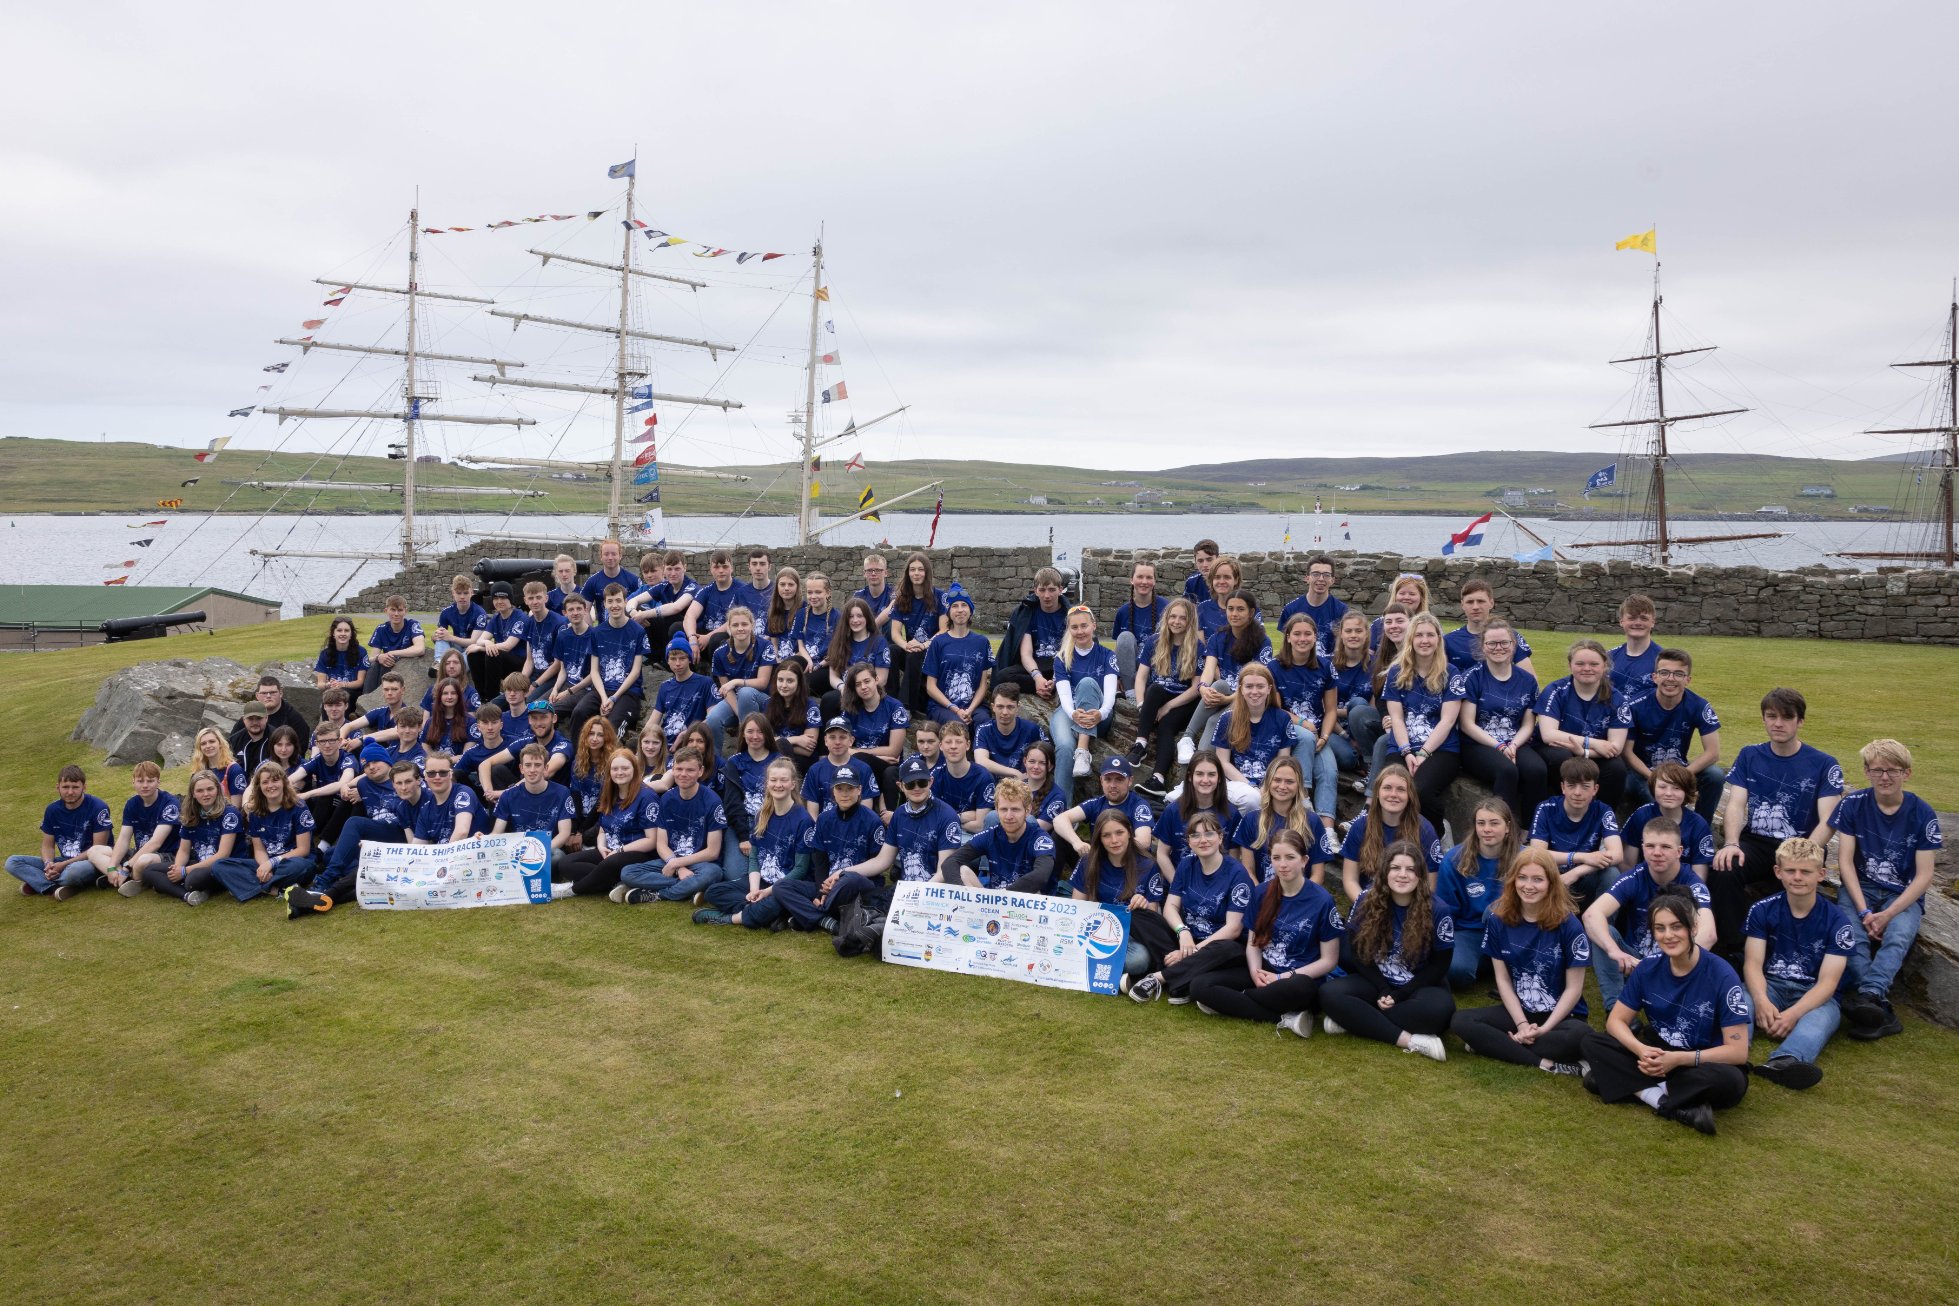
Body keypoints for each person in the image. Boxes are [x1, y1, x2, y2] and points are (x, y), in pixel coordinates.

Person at [1581, 892, 1751, 1134]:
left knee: (1731, 1083)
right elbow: (1616, 1021)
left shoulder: (1722, 975)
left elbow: (1737, 1052)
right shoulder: (1647, 968)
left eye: (1676, 927)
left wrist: (1679, 1060)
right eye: (1660, 928)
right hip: (1657, 1052)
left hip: (1701, 1062)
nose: (1668, 935)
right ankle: (1666, 1102)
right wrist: (1641, 1050)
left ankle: (1629, 1084)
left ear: (1693, 928)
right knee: (1591, 1042)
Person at [1711, 687, 1844, 958]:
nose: (1778, 723)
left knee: (1797, 880)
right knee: (1723, 869)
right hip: (1758, 842)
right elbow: (1736, 804)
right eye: (1771, 716)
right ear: (1763, 719)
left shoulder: (1823, 763)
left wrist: (1801, 853)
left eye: (1786, 717)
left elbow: (1829, 818)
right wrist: (1732, 843)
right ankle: (1736, 949)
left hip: (1803, 844)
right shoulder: (1750, 755)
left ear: (1800, 721)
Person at [1831, 738, 1941, 1042]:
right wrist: (1865, 910)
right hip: (1860, 888)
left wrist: (1889, 913)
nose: (1885, 777)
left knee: (1898, 937)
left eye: (1893, 770)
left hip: (1902, 893)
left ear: (1907, 773)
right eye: (1878, 770)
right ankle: (1880, 1008)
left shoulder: (1922, 813)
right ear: (1867, 772)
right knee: (1849, 938)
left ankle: (1868, 996)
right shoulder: (1853, 804)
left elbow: (1924, 876)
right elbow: (1845, 863)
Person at [1449, 848, 1592, 1075]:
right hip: (1520, 1011)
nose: (1528, 886)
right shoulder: (1498, 920)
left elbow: (1574, 990)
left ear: (1551, 883)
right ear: (1513, 880)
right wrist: (1522, 1025)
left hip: (1562, 1017)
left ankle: (1495, 1045)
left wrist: (1544, 1029)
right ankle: (1545, 1063)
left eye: (1538, 879)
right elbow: (1503, 980)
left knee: (1582, 1037)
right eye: (1522, 878)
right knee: (1460, 1021)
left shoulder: (1569, 925)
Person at [1186, 829, 1344, 1032]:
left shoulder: (1322, 900)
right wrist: (1255, 973)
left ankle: (1237, 1000)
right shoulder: (1261, 892)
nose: (1283, 864)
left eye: (1290, 857)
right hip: (1264, 970)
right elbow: (1253, 944)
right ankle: (1284, 1018)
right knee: (1199, 985)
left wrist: (1281, 978)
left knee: (1300, 988)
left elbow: (1329, 961)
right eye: (1276, 858)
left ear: (1304, 860)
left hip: (1297, 979)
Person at [1319, 842, 1456, 1060]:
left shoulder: (1438, 910)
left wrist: (1400, 994)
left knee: (1440, 1013)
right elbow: (1357, 952)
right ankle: (1411, 1041)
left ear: (1420, 875)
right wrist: (1383, 988)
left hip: (1417, 985)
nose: (1403, 875)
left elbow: (1440, 965)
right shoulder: (1366, 900)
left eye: (1410, 869)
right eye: (1395, 868)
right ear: (1385, 872)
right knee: (1329, 994)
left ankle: (1354, 1020)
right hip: (1377, 982)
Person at [1741, 836, 1853, 1090]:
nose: (1797, 877)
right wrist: (1761, 1001)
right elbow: (1752, 964)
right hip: (1770, 984)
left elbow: (1828, 983)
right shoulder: (1761, 910)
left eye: (1806, 871)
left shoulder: (1838, 921)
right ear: (1778, 872)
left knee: (1819, 1022)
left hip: (1817, 994)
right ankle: (1735, 1054)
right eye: (1790, 871)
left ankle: (1786, 1061)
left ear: (1821, 874)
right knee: (1740, 1002)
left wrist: (1793, 1014)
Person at [1582, 817, 1717, 1012]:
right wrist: (1614, 951)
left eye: (1665, 847)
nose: (1657, 853)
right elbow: (1591, 915)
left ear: (1679, 851)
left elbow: (1708, 934)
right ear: (1642, 847)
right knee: (1605, 932)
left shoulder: (1692, 883)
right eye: (1650, 846)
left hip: (1673, 962)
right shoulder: (1635, 876)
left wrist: (1668, 962)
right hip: (1634, 961)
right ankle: (1615, 1007)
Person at [1126, 812, 1256, 1004]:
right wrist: (1182, 931)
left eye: (1209, 834)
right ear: (1189, 842)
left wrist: (1193, 951)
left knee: (1228, 948)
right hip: (1187, 938)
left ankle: (1158, 977)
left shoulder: (1237, 873)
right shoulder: (1187, 864)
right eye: (1195, 835)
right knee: (1139, 915)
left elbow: (1233, 929)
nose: (1203, 840)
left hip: (1217, 945)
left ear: (1220, 838)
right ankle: (1183, 979)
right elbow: (1170, 905)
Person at [696, 757, 814, 929]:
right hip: (763, 880)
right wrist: (754, 890)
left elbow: (801, 869)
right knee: (714, 891)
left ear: (793, 784)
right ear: (767, 783)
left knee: (775, 902)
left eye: (784, 780)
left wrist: (767, 892)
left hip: (786, 886)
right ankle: (764, 914)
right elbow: (754, 859)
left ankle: (730, 918)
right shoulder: (762, 815)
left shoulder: (803, 819)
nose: (778, 785)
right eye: (773, 780)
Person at [770, 765, 890, 930]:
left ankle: (808, 915)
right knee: (781, 886)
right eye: (840, 788)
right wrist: (822, 891)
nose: (845, 793)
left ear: (859, 790)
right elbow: (820, 860)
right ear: (833, 791)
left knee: (850, 878)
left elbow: (876, 865)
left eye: (850, 788)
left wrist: (838, 882)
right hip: (826, 884)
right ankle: (826, 921)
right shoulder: (824, 819)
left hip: (858, 885)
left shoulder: (872, 821)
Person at [1614, 647, 1725, 820]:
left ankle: (1702, 827)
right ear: (1654, 677)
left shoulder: (1699, 705)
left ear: (1688, 679)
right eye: (1664, 672)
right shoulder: (1634, 706)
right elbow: (1626, 752)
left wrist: (1682, 775)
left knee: (1715, 775)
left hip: (1679, 769)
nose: (1671, 679)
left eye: (1679, 674)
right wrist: (1655, 778)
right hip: (1643, 772)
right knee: (1663, 799)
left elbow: (1713, 753)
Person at [1449, 618, 1542, 824]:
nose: (1498, 648)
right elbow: (1467, 724)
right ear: (1483, 646)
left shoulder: (1527, 680)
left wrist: (1514, 744)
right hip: (1478, 743)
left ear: (1513, 645)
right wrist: (1499, 746)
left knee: (1537, 770)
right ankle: (1503, 829)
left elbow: (1528, 723)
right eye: (1492, 643)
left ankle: (1528, 832)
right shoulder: (1472, 677)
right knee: (1507, 771)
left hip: (1515, 741)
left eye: (1504, 643)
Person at [1069, 810, 1170, 984]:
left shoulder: (1148, 865)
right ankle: (1112, 972)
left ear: (1130, 833)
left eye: (1119, 833)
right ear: (1099, 838)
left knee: (1140, 960)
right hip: (1094, 930)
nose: (1114, 840)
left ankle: (1089, 966)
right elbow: (1076, 905)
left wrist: (1144, 903)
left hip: (1130, 935)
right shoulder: (1088, 862)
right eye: (1106, 835)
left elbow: (1153, 913)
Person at [616, 747, 727, 904]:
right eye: (679, 769)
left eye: (690, 770)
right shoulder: (667, 799)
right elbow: (661, 843)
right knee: (627, 873)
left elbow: (712, 852)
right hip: (671, 860)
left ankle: (657, 895)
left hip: (701, 863)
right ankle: (690, 888)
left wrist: (678, 863)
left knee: (713, 874)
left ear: (700, 771)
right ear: (672, 770)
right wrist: (677, 866)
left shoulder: (712, 801)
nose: (683, 774)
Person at [1530, 638, 1627, 809]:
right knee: (1564, 759)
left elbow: (1615, 747)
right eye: (1580, 663)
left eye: (1594, 664)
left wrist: (1583, 752)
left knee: (1616, 768)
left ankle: (1601, 818)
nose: (1587, 669)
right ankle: (1559, 812)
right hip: (1556, 749)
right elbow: (1549, 735)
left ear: (1604, 666)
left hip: (1593, 753)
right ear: (1570, 666)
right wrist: (1593, 743)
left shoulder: (1617, 698)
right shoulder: (1556, 691)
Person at [1380, 613, 1462, 814]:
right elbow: (1397, 718)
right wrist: (1407, 752)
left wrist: (1423, 753)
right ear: (1411, 640)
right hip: (1401, 746)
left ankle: (1438, 833)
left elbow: (1448, 720)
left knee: (1419, 790)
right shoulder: (1396, 672)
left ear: (1438, 639)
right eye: (1419, 635)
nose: (1424, 640)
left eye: (1430, 635)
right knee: (1390, 790)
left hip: (1442, 749)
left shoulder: (1451, 673)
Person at [1433, 798, 1519, 989]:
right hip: (1469, 931)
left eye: (1494, 823)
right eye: (1481, 823)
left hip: (1513, 930)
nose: (1487, 829)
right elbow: (1446, 910)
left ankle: (1503, 962)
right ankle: (1496, 965)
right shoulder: (1455, 859)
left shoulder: (1523, 858)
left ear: (1507, 827)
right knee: (1456, 972)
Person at [554, 749, 661, 898]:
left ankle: (571, 890)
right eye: (615, 768)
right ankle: (613, 881)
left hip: (638, 853)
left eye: (625, 768)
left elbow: (652, 840)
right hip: (611, 850)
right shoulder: (609, 792)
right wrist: (601, 846)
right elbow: (603, 829)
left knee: (610, 864)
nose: (620, 772)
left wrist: (620, 851)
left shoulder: (647, 796)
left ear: (635, 770)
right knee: (565, 863)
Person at [1183, 591, 1269, 772]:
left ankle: (1196, 771)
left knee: (1216, 720)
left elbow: (1257, 685)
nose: (1234, 614)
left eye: (1240, 609)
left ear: (1251, 613)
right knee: (1218, 685)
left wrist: (1227, 700)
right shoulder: (1218, 637)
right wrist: (1203, 687)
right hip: (1227, 691)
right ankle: (1187, 738)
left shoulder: (1262, 641)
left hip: (1250, 698)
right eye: (1230, 609)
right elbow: (1208, 669)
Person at [1128, 597, 1203, 798]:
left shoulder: (1197, 646)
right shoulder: (1154, 641)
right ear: (1166, 617)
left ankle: (1158, 780)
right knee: (1154, 689)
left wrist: (1169, 707)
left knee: (1166, 726)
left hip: (1185, 699)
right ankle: (1140, 744)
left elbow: (1197, 688)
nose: (1176, 621)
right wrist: (1142, 705)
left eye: (1182, 618)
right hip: (1159, 695)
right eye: (1173, 616)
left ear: (1190, 622)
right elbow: (1141, 677)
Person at [1340, 765, 1443, 904]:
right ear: (1377, 792)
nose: (1393, 794)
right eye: (1387, 787)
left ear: (1410, 795)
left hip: (1409, 907)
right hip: (1370, 904)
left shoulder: (1425, 830)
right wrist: (1369, 908)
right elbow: (1350, 880)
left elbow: (1430, 887)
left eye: (1401, 789)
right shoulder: (1360, 826)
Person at [214, 761, 317, 902]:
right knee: (219, 866)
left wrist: (272, 863)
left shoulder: (299, 807)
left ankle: (259, 887)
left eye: (275, 780)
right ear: (259, 786)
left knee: (301, 867)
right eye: (265, 782)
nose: (270, 786)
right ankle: (273, 888)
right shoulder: (255, 812)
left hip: (292, 861)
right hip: (267, 861)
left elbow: (303, 850)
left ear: (284, 782)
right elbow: (259, 849)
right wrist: (264, 866)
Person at [8, 764, 113, 900]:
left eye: (75, 787)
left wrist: (62, 866)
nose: (70, 792)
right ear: (58, 787)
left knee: (73, 872)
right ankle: (53, 887)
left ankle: (39, 883)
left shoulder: (98, 807)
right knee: (12, 862)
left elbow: (97, 849)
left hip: (91, 861)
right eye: (65, 787)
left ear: (84, 787)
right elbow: (47, 846)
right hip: (63, 861)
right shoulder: (52, 810)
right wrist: (48, 865)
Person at [1269, 613, 1339, 818]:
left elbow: (1332, 709)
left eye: (1308, 634)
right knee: (1306, 737)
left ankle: (1327, 829)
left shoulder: (1325, 666)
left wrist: (1325, 737)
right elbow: (1276, 709)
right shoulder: (1274, 667)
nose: (1302, 638)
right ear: (1288, 637)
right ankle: (1304, 797)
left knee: (1329, 772)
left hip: (1317, 732)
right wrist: (1302, 722)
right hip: (1288, 727)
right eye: (1297, 634)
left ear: (1315, 637)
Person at [1204, 662, 1297, 814]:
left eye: (1260, 686)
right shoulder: (1227, 719)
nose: (1255, 691)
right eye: (1249, 686)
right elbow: (1223, 762)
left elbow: (1283, 761)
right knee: (1252, 798)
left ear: (1269, 689)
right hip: (1236, 781)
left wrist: (1268, 786)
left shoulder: (1282, 719)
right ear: (1240, 689)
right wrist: (1251, 785)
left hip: (1272, 782)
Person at [1527, 757, 1625, 903]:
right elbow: (1537, 853)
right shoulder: (1546, 808)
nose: (1577, 792)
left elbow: (1617, 854)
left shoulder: (1603, 811)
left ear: (1595, 789)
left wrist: (1577, 872)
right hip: (1552, 878)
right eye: (1571, 785)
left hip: (1586, 877)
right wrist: (1581, 857)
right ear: (1563, 787)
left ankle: (1602, 924)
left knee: (1612, 873)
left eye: (1585, 786)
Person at [1232, 755, 1338, 885]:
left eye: (1289, 781)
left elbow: (1318, 875)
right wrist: (1261, 897)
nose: (1282, 786)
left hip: (1300, 900)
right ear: (1268, 781)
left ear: (1299, 785)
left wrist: (1299, 900)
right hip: (1261, 897)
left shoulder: (1312, 821)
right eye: (1277, 780)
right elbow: (1247, 871)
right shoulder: (1251, 820)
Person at [939, 777, 1057, 892]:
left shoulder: (1040, 839)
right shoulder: (990, 835)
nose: (1009, 816)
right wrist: (961, 891)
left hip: (1028, 905)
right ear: (996, 809)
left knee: (1036, 890)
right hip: (994, 904)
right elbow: (950, 863)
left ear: (1027, 810)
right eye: (1004, 809)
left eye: (1015, 810)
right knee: (962, 871)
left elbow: (1041, 876)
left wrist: (1005, 894)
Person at [1048, 604, 1118, 786]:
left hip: (1099, 714)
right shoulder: (1062, 657)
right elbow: (1063, 694)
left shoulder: (1107, 655)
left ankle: (1082, 750)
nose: (1080, 631)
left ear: (1093, 625)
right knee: (1064, 747)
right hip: (1069, 711)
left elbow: (1110, 694)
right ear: (1069, 629)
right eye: (1074, 627)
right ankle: (1061, 807)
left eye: (1084, 626)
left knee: (1087, 683)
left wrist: (1100, 714)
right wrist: (1073, 714)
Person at [90, 761, 180, 896]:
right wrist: (112, 867)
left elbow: (156, 842)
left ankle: (135, 881)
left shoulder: (170, 803)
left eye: (150, 781)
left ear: (158, 782)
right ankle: (124, 878)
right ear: (133, 782)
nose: (145, 785)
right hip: (139, 852)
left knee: (143, 861)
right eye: (140, 781)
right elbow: (124, 839)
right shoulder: (132, 803)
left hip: (166, 855)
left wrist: (127, 866)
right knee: (94, 850)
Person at [490, 744, 578, 874]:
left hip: (548, 849)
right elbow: (497, 833)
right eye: (528, 765)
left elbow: (564, 834)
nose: (532, 770)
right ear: (521, 768)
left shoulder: (562, 793)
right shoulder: (508, 795)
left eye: (537, 765)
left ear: (545, 768)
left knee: (558, 857)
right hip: (518, 851)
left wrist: (539, 853)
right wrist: (482, 840)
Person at [881, 755, 964, 888]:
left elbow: (944, 871)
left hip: (935, 892)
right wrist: (844, 872)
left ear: (931, 782)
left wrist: (918, 893)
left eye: (922, 782)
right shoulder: (899, 813)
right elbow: (882, 861)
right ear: (900, 786)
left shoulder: (947, 815)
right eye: (910, 784)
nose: (916, 788)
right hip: (905, 889)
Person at [1153, 750, 1237, 880]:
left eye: (1211, 774)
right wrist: (1178, 887)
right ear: (1190, 777)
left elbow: (1233, 859)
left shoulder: (1232, 813)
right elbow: (1162, 854)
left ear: (1220, 777)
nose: (1205, 780)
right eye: (1199, 774)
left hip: (1217, 887)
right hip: (1179, 883)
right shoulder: (1173, 811)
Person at [1620, 762, 1715, 877]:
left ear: (1686, 791)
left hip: (1683, 888)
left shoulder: (1698, 825)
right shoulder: (1641, 815)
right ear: (1653, 788)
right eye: (1662, 787)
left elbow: (1699, 875)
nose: (1669, 793)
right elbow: (1627, 865)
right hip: (1645, 882)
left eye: (1676, 788)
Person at [1055, 757, 1156, 860]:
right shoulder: (1096, 803)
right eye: (1108, 779)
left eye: (1119, 779)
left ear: (1130, 781)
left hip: (1127, 862)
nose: (1113, 785)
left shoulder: (1139, 805)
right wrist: (1077, 842)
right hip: (1097, 860)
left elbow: (1144, 841)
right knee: (1060, 835)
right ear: (1101, 781)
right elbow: (1059, 820)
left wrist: (1110, 850)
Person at [922, 583, 993, 727]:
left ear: (970, 610)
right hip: (943, 706)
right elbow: (930, 686)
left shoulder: (982, 642)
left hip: (973, 706)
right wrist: (954, 708)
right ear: (948, 612)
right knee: (957, 724)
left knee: (984, 723)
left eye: (964, 605)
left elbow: (983, 684)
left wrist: (970, 709)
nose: (960, 610)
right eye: (955, 606)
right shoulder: (938, 643)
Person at [885, 552, 947, 714]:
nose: (916, 573)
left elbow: (944, 630)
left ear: (927, 572)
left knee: (915, 654)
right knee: (891, 650)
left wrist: (924, 645)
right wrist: (906, 645)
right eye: (912, 570)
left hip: (933, 651)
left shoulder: (939, 596)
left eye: (920, 569)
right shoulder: (901, 599)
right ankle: (889, 701)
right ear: (908, 573)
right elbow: (895, 633)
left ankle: (905, 707)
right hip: (912, 649)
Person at [993, 567, 1067, 698]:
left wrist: (1056, 679)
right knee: (1003, 676)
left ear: (1060, 590)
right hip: (1035, 665)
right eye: (1042, 590)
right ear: (1035, 591)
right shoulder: (1028, 613)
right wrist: (1037, 678)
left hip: (1061, 666)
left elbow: (1070, 653)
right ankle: (1045, 688)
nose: (1047, 595)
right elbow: (1026, 654)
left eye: (1052, 590)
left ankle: (1054, 685)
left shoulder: (1069, 614)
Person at [841, 662, 911, 800]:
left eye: (867, 681)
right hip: (859, 763)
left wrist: (859, 752)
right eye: (858, 684)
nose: (863, 687)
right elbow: (841, 747)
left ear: (876, 680)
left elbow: (893, 752)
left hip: (887, 766)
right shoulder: (850, 709)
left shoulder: (895, 707)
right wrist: (878, 755)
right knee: (856, 761)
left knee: (861, 759)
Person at [1325, 611, 1382, 781]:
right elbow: (1324, 709)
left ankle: (1369, 761)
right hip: (1334, 727)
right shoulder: (1327, 664)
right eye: (1348, 631)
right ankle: (1360, 760)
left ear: (1366, 634)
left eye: (1358, 631)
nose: (1353, 635)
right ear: (1341, 634)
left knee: (1358, 703)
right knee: (1348, 758)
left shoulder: (1376, 666)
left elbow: (1371, 709)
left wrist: (1346, 711)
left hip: (1362, 725)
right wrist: (1346, 736)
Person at [703, 606, 774, 741]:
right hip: (735, 701)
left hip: (762, 700)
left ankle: (747, 747)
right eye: (735, 625)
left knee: (745, 692)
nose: (740, 628)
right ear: (729, 628)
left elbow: (763, 682)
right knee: (712, 719)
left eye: (744, 624)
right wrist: (740, 716)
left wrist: (736, 682)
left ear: (752, 625)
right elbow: (726, 690)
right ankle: (716, 760)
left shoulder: (765, 646)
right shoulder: (719, 653)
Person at [588, 584, 652, 732]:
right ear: (604, 604)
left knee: (610, 727)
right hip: (602, 690)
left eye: (618, 600)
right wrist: (604, 698)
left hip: (627, 692)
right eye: (610, 601)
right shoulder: (597, 632)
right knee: (580, 712)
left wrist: (614, 698)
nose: (614, 605)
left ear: (625, 602)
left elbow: (636, 672)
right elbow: (594, 671)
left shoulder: (638, 631)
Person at [1442, 577, 1534, 676]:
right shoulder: (1449, 641)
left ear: (1491, 603)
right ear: (1462, 605)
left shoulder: (1509, 636)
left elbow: (1530, 679)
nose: (1475, 607)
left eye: (1481, 601)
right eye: (1470, 602)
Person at [817, 597, 890, 716]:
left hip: (869, 691)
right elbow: (833, 676)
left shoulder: (879, 642)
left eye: (860, 616)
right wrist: (842, 687)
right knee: (829, 700)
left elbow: (882, 679)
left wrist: (861, 690)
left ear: (867, 617)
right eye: (851, 616)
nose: (855, 620)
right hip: (845, 690)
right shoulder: (839, 641)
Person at [1112, 560, 1169, 698]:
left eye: (1149, 577)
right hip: (1130, 672)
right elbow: (1120, 649)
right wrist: (1117, 676)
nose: (1144, 581)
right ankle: (1131, 695)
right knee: (1125, 637)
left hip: (1156, 668)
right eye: (1140, 577)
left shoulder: (1167, 608)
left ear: (1154, 581)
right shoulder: (1123, 612)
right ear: (1132, 580)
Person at [647, 634, 713, 753]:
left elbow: (713, 718)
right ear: (667, 660)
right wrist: (643, 742)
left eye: (682, 658)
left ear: (690, 659)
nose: (677, 663)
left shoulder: (705, 683)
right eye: (673, 659)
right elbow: (653, 721)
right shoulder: (665, 687)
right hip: (665, 746)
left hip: (691, 745)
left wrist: (688, 734)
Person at [681, 550, 748, 664]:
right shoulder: (707, 590)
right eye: (716, 567)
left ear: (731, 568)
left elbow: (735, 621)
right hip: (703, 636)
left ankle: (716, 677)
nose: (721, 571)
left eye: (725, 567)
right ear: (711, 569)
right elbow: (690, 615)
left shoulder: (742, 590)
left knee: (716, 639)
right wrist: (692, 639)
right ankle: (691, 670)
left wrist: (708, 637)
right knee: (678, 628)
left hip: (726, 636)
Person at [627, 550, 698, 654]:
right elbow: (633, 600)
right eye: (669, 569)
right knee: (634, 612)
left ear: (685, 568)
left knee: (671, 619)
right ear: (664, 569)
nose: (673, 573)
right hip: (667, 630)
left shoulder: (692, 586)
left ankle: (677, 659)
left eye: (677, 569)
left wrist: (642, 615)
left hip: (693, 632)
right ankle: (654, 656)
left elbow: (676, 607)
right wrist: (634, 613)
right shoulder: (663, 586)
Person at [932, 722, 997, 834]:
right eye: (948, 742)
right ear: (941, 746)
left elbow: (980, 826)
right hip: (942, 834)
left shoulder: (983, 777)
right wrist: (962, 817)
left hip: (972, 838)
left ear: (967, 745)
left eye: (959, 741)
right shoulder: (935, 776)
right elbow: (933, 820)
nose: (953, 746)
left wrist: (948, 819)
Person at [468, 583, 530, 700]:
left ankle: (493, 698)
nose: (499, 601)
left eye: (503, 598)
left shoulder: (520, 618)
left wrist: (483, 647)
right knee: (474, 654)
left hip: (518, 663)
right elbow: (481, 639)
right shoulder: (496, 618)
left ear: (510, 599)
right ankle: (482, 697)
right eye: (496, 598)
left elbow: (508, 646)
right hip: (501, 661)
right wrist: (487, 643)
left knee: (493, 654)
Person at [1279, 554, 1348, 659]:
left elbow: (1344, 649)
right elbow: (1286, 647)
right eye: (1315, 574)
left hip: (1330, 669)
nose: (1321, 579)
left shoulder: (1342, 611)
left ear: (1332, 580)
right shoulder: (1290, 610)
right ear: (1307, 578)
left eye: (1326, 575)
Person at [974, 684, 1045, 781]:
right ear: (993, 707)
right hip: (994, 786)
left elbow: (1047, 758)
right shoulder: (983, 730)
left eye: (1010, 707)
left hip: (1025, 785)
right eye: (1000, 707)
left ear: (1017, 708)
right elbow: (981, 761)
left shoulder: (1032, 730)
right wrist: (1014, 773)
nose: (1005, 712)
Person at [230, 676, 309, 762]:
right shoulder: (246, 719)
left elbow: (300, 752)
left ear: (281, 693)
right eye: (264, 693)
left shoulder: (294, 719)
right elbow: (231, 745)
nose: (268, 696)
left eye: (272, 692)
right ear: (257, 695)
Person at [363, 594, 427, 694]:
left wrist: (393, 652)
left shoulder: (412, 624)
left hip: (407, 667)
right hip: (387, 666)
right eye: (392, 610)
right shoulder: (381, 629)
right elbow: (371, 658)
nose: (396, 614)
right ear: (386, 611)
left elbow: (420, 649)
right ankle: (366, 698)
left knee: (385, 664)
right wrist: (379, 657)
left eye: (400, 610)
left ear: (405, 611)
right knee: (375, 665)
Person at [765, 659, 821, 761]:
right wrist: (796, 739)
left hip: (801, 761)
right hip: (774, 758)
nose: (784, 685)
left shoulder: (811, 707)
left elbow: (808, 750)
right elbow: (763, 740)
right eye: (780, 680)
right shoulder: (768, 703)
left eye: (790, 681)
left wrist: (776, 743)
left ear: (799, 684)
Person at [517, 581, 568, 692]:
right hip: (536, 673)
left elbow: (558, 664)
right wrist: (521, 683)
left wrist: (534, 685)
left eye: (538, 597)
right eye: (531, 598)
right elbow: (530, 660)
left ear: (546, 598)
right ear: (525, 600)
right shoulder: (528, 622)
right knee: (505, 699)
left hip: (553, 676)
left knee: (529, 701)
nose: (535, 602)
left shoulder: (559, 623)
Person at [434, 575, 489, 676]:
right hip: (457, 645)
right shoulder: (446, 612)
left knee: (473, 651)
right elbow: (438, 637)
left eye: (466, 593)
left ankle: (453, 669)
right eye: (459, 593)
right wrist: (437, 636)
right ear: (453, 594)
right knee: (441, 637)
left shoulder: (480, 613)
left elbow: (474, 641)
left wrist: (450, 637)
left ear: (471, 593)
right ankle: (439, 663)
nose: (462, 597)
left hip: (472, 647)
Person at [1610, 593, 1660, 699]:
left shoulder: (1663, 659)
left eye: (1644, 618)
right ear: (1621, 621)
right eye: (1632, 618)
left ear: (1653, 622)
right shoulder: (1608, 657)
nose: (1638, 623)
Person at [791, 571, 840, 674]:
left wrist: (817, 666)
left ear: (828, 593)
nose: (813, 596)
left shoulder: (837, 617)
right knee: (784, 670)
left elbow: (837, 651)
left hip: (826, 665)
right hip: (805, 659)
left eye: (818, 592)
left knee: (807, 682)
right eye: (810, 592)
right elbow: (800, 645)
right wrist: (809, 661)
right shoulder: (801, 614)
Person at [1192, 555, 1251, 639]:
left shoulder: (1249, 609)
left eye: (1227, 577)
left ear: (1236, 580)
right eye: (1217, 577)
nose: (1221, 581)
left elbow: (1256, 641)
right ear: (1211, 580)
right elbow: (1200, 646)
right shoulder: (1202, 609)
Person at [1367, 574, 1430, 651]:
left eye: (1412, 594)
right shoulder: (1378, 625)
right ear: (1395, 596)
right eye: (1402, 593)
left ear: (1421, 597)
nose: (1406, 597)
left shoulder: (1430, 625)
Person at [758, 566, 802, 667]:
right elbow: (773, 641)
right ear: (777, 586)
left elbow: (806, 644)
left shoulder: (804, 610)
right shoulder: (774, 609)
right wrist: (776, 658)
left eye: (791, 584)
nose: (786, 588)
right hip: (778, 658)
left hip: (798, 659)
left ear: (797, 587)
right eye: (782, 584)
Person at [192, 726, 247, 805]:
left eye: (212, 741)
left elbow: (236, 806)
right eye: (203, 743)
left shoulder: (234, 770)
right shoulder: (198, 772)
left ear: (220, 744)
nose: (208, 746)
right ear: (200, 748)